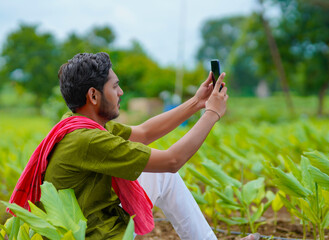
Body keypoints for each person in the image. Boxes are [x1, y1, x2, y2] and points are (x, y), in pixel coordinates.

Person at [10, 52, 259, 240]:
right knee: (166, 170)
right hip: (91, 233)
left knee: (162, 178)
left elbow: (145, 132)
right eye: (115, 86)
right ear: (94, 96)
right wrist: (212, 114)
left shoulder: (83, 126)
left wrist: (197, 102)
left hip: (94, 219)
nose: (121, 92)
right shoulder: (88, 140)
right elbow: (172, 161)